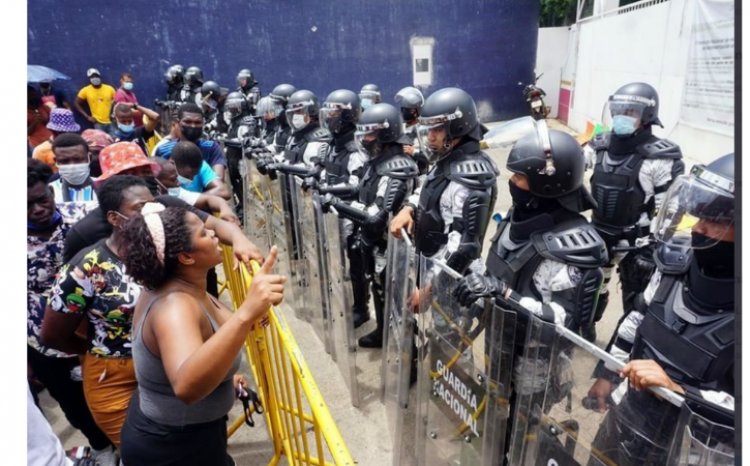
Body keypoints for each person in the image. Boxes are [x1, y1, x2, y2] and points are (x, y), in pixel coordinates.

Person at [453, 125, 608, 462]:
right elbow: (495, 269)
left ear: (547, 183)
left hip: (535, 368)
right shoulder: (518, 218)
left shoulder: (573, 244)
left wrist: (503, 293)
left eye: (521, 178)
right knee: (496, 421)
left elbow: (565, 324)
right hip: (497, 344)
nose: (513, 183)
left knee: (524, 435)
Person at [586, 153, 735, 465]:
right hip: (626, 420)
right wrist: (608, 375)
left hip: (695, 451)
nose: (700, 230)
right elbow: (635, 322)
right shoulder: (674, 266)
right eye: (701, 217)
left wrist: (679, 391)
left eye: (717, 222)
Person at [119, 205, 285, 465]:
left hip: (196, 436)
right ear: (186, 256)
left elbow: (210, 337)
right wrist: (245, 313)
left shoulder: (189, 286)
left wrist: (251, 315)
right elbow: (187, 386)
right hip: (174, 449)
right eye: (204, 234)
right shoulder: (174, 306)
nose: (214, 233)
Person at [40, 175, 152, 449]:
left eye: (153, 204)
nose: (151, 213)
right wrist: (99, 350)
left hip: (165, 367)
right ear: (114, 218)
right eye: (140, 208)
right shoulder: (87, 268)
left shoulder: (161, 251)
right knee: (142, 452)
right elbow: (53, 335)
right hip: (115, 379)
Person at [61, 141, 261, 280]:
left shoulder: (166, 203)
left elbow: (215, 225)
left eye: (145, 171)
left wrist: (239, 240)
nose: (140, 180)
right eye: (130, 174)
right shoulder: (84, 233)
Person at [27, 160, 118, 466]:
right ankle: (101, 449)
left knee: (117, 396)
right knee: (74, 405)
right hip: (46, 343)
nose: (38, 209)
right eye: (26, 205)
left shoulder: (82, 220)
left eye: (42, 199)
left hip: (101, 334)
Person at [584, 82, 685, 341]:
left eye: (630, 112)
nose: (622, 117)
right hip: (597, 230)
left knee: (637, 301)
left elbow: (671, 208)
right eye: (618, 111)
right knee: (591, 285)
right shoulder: (599, 145)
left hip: (636, 241)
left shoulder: (660, 157)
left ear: (647, 116)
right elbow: (570, 167)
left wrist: (656, 247)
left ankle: (625, 348)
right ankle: (587, 326)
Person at [321, 103, 418, 348]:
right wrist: (331, 191)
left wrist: (337, 205)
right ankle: (382, 332)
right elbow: (359, 190)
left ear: (387, 132)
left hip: (392, 247)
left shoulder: (399, 167)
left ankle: (407, 353)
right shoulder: (378, 161)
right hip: (376, 246)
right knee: (378, 290)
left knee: (397, 299)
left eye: (371, 133)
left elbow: (377, 217)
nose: (365, 139)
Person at [390, 87, 498, 276]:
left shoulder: (469, 179)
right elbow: (429, 185)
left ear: (458, 128)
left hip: (452, 282)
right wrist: (409, 208)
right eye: (430, 129)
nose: (431, 136)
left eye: (438, 129)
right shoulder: (448, 159)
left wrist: (428, 288)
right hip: (429, 263)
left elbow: (462, 249)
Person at [314, 89, 370, 327]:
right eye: (328, 110)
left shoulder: (355, 151)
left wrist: (329, 192)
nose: (329, 115)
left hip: (349, 217)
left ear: (347, 115)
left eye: (335, 110)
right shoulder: (330, 147)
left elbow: (356, 187)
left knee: (356, 266)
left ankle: (361, 308)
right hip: (330, 215)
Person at [152, 102, 227, 180]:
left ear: (203, 123)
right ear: (178, 123)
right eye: (188, 122)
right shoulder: (163, 150)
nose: (193, 126)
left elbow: (218, 179)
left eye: (197, 122)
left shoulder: (211, 147)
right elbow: (159, 180)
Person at [153, 157, 239, 224]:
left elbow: (209, 199)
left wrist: (224, 208)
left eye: (177, 178)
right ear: (156, 181)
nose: (179, 183)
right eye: (173, 180)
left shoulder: (176, 193)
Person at [50, 133, 98, 203]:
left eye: (78, 159)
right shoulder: (49, 192)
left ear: (89, 158)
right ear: (56, 161)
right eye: (64, 161)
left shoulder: (104, 187)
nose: (72, 166)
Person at [33, 108, 82, 172]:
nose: (68, 134)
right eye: (62, 132)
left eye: (70, 132)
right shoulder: (41, 151)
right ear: (53, 131)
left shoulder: (80, 145)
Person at [394, 86, 429, 174]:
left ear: (417, 111)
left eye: (408, 110)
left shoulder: (424, 129)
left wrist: (414, 151)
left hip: (419, 174)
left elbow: (432, 156)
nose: (405, 112)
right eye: (403, 109)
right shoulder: (400, 127)